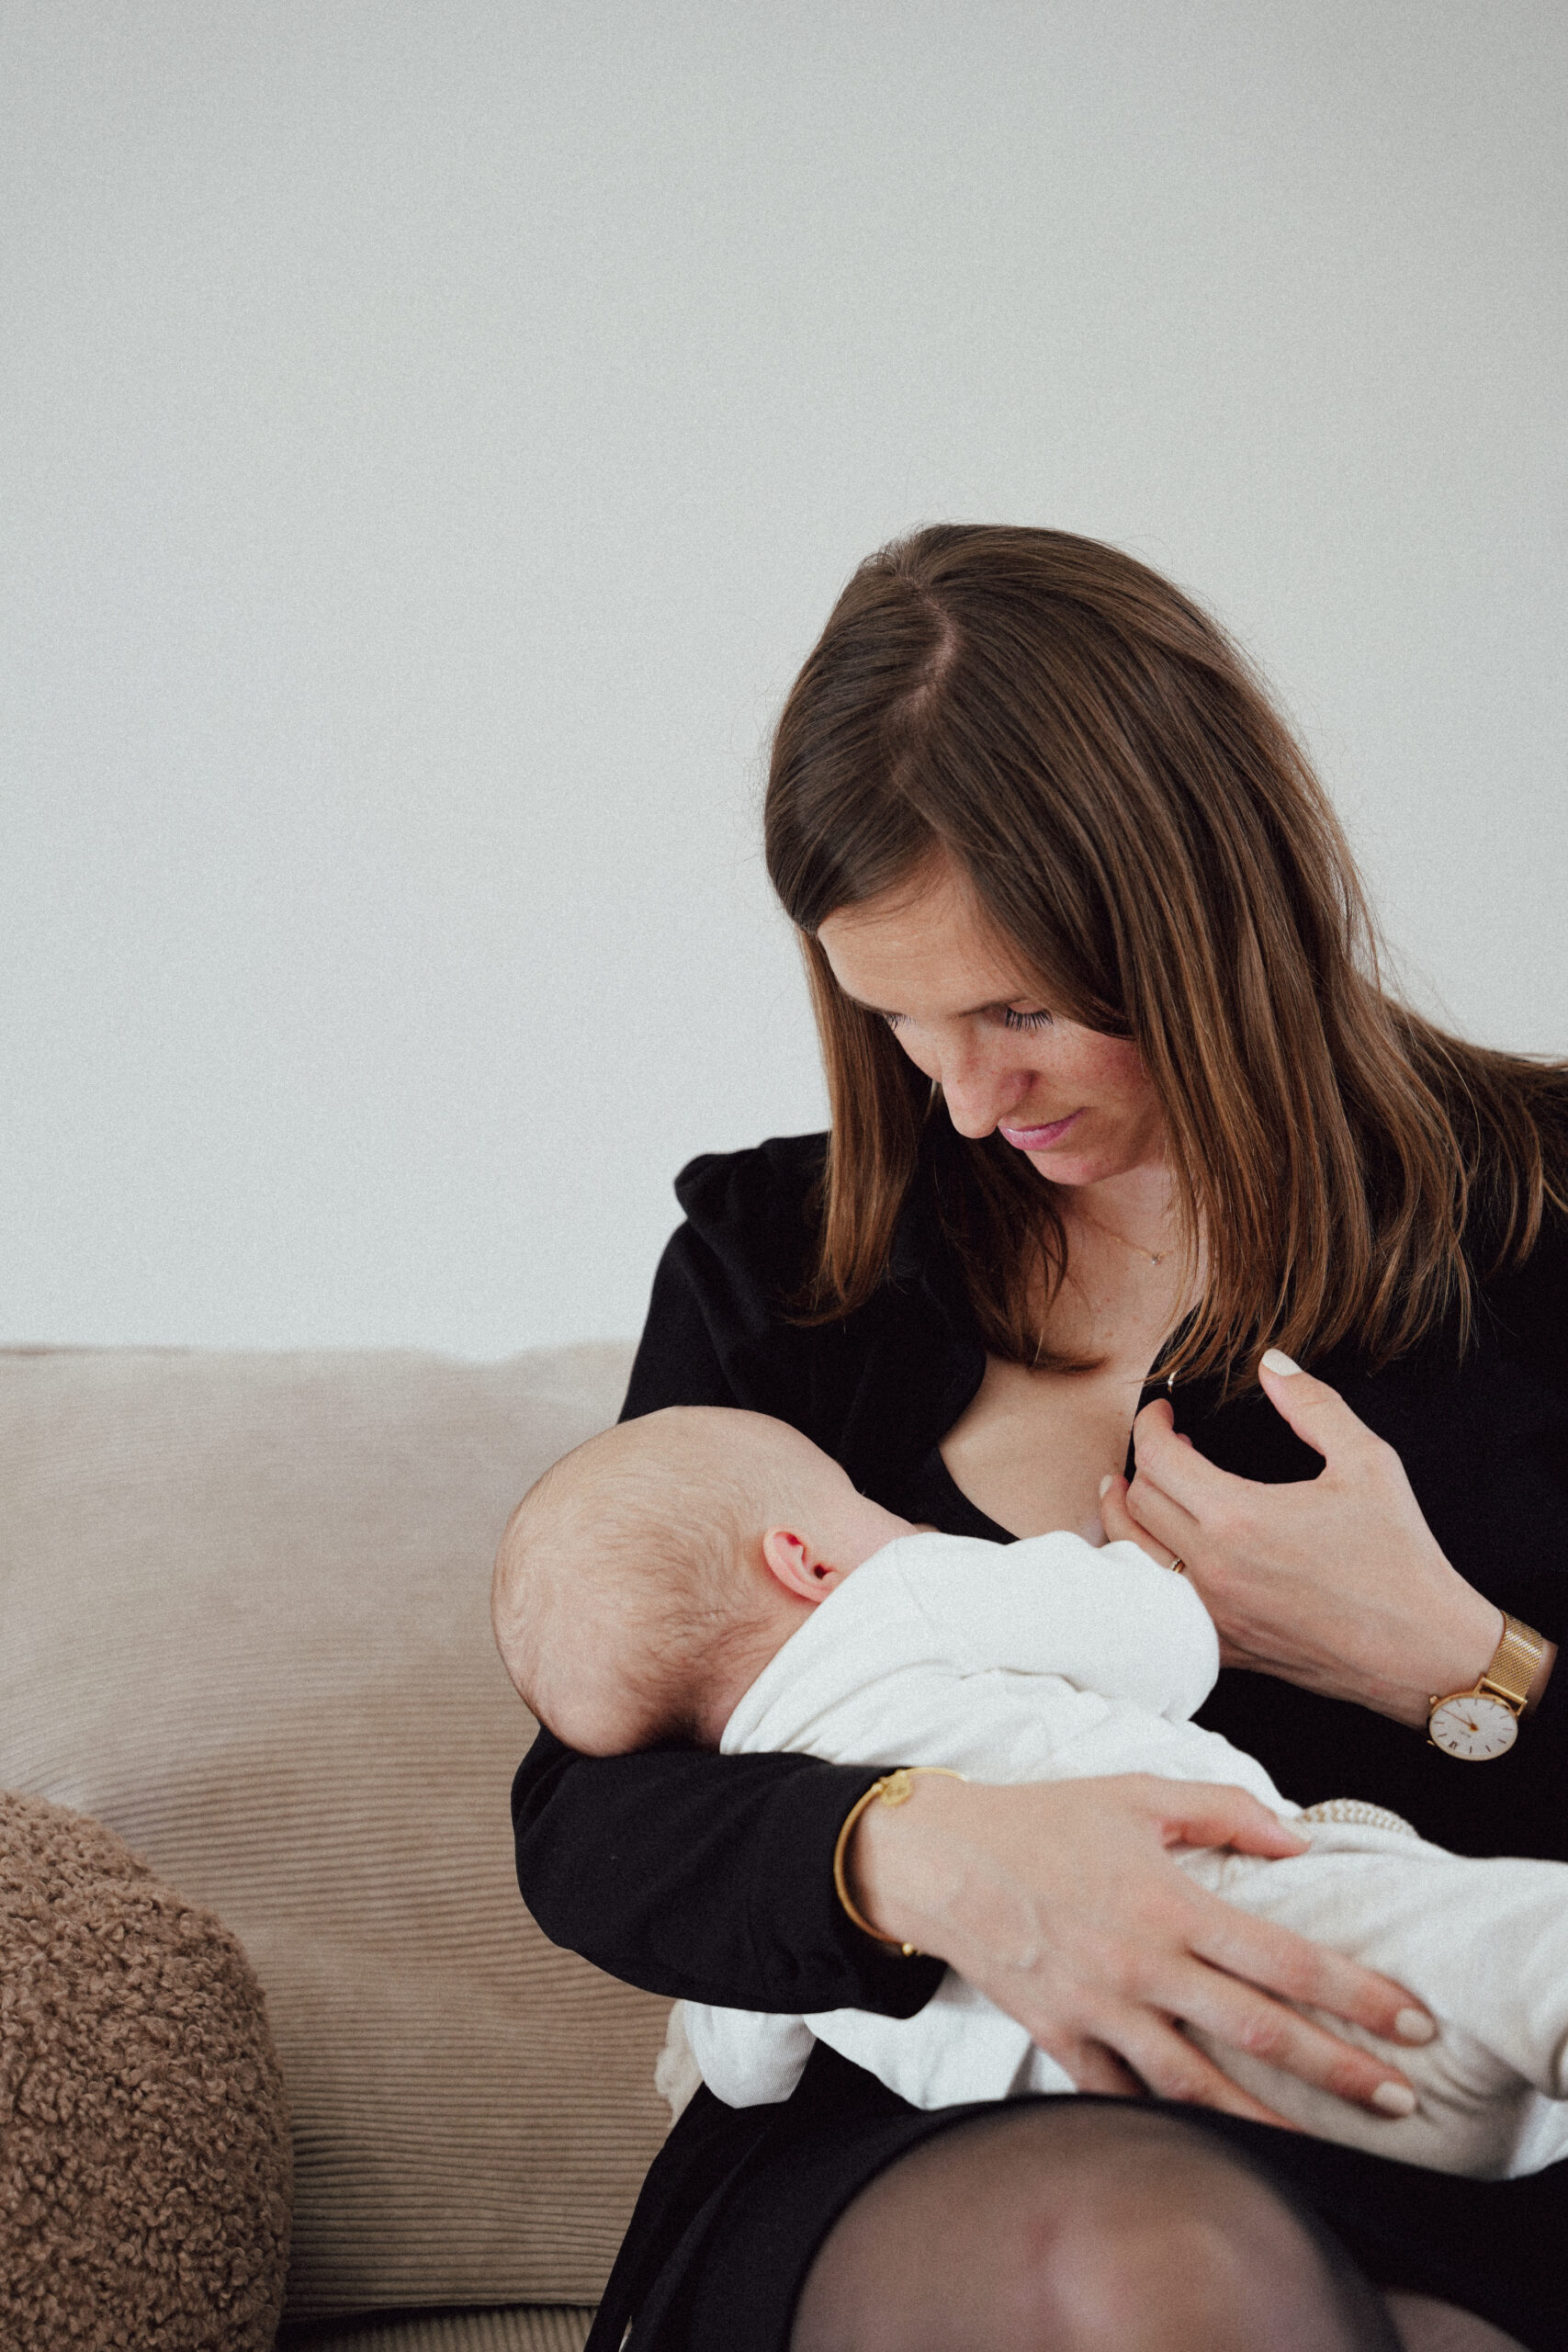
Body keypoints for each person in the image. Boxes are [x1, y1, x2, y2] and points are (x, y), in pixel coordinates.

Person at [510, 526, 1568, 2351]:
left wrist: (1460, 1665)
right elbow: (588, 1810)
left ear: (1210, 914)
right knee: (1129, 2272)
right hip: (928, 2146)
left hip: (1430, 2105)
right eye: (899, 1016)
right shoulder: (780, 1268)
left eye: (1017, 1007)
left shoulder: (1542, 1226)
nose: (965, 1097)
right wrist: (919, 1854)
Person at [493, 1399, 1568, 2180]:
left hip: (1103, 2118)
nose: (898, 1521)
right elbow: (1159, 1648)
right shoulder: (905, 1593)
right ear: (802, 1559)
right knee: (1511, 1948)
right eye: (863, 1501)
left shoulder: (742, 1858)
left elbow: (744, 2075)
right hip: (1246, 1926)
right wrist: (1161, 1580)